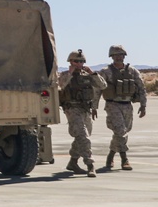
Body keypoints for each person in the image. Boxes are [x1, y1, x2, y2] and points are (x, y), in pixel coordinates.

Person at [57, 49, 106, 177]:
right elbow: (60, 86)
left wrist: (92, 73)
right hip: (72, 109)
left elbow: (103, 85)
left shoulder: (88, 75)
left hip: (86, 109)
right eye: (76, 61)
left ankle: (73, 162)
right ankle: (90, 164)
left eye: (81, 61)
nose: (79, 63)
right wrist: (70, 73)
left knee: (82, 136)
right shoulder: (64, 74)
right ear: (70, 62)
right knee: (83, 137)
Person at [97, 45, 147, 170]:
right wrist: (94, 106)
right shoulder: (105, 71)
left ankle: (111, 154)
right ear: (111, 57)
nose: (119, 57)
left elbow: (141, 88)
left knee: (123, 132)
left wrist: (143, 105)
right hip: (112, 104)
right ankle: (125, 159)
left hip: (127, 105)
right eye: (116, 55)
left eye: (121, 55)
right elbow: (97, 89)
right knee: (120, 131)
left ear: (124, 56)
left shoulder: (132, 71)